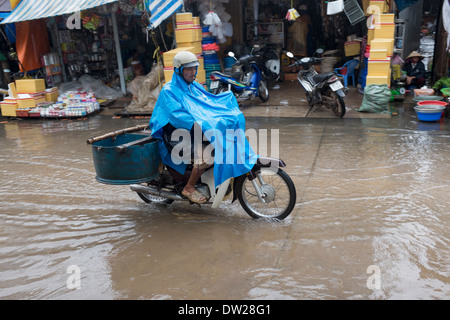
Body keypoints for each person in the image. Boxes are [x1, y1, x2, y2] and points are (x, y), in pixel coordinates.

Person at [149, 51, 257, 204]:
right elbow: (178, 117)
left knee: (228, 140)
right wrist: (204, 123)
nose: (193, 72)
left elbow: (208, 103)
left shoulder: (194, 86)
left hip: (192, 131)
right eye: (189, 69)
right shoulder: (169, 91)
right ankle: (189, 187)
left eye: (194, 68)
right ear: (179, 70)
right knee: (208, 154)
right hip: (175, 135)